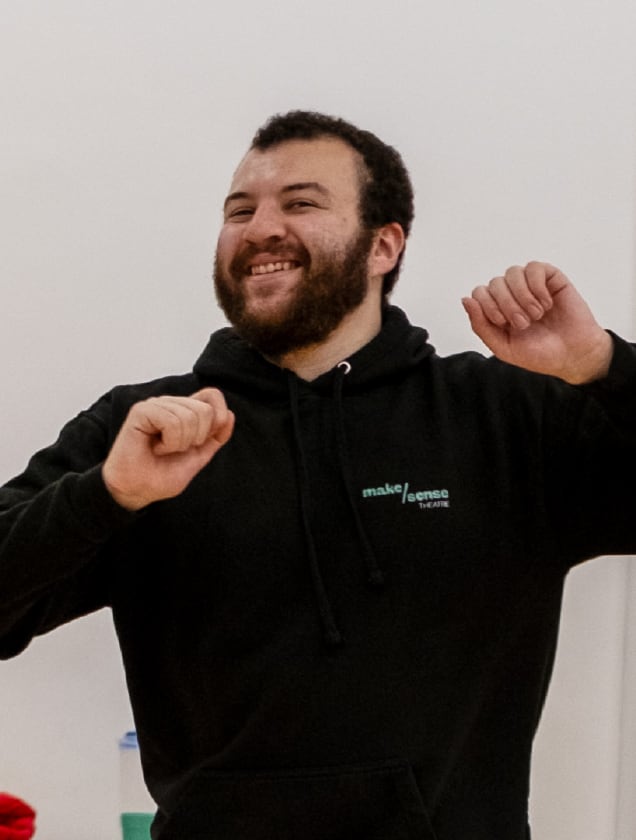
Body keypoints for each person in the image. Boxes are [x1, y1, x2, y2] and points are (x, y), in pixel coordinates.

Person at [1, 110, 635, 840]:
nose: (261, 227)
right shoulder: (146, 432)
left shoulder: (501, 416)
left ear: (383, 244)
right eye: (240, 210)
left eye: (300, 202)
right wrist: (108, 496)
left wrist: (605, 367)